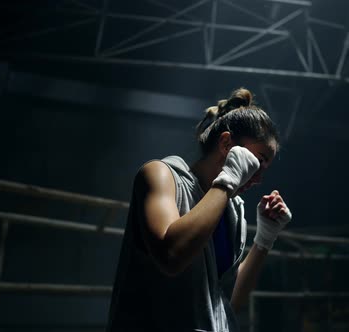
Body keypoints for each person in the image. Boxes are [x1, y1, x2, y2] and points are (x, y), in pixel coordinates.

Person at [106, 88, 292, 332]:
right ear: (226, 143)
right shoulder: (161, 176)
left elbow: (225, 303)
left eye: (264, 168)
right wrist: (228, 181)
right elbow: (171, 256)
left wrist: (264, 239)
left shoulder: (233, 210)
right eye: (257, 161)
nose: (258, 177)